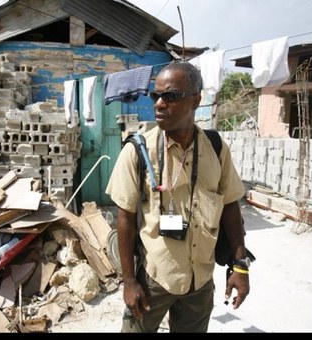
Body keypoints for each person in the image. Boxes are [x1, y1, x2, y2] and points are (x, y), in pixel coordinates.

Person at [105, 61, 250, 333]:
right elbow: (123, 218)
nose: (159, 104)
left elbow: (230, 207)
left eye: (170, 96)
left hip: (200, 283)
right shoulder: (137, 151)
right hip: (154, 279)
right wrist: (129, 282)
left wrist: (240, 266)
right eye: (155, 95)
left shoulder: (216, 149)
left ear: (196, 100)